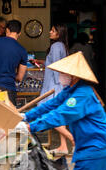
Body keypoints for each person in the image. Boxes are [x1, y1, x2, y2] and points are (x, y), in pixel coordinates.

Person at [30, 25, 74, 156]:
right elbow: (54, 63)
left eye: (53, 30)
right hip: (59, 84)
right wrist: (40, 62)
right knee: (58, 115)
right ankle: (63, 145)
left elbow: (55, 66)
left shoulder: (55, 46)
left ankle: (72, 139)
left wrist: (56, 87)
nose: (50, 32)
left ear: (59, 33)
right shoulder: (62, 46)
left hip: (53, 85)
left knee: (47, 114)